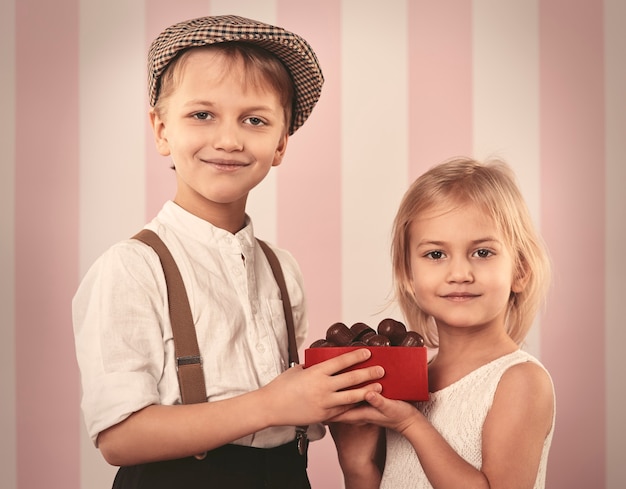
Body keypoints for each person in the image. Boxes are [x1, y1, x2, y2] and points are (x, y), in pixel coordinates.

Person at [72, 15, 384, 489]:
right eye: (202, 115)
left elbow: (294, 409)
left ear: (280, 143)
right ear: (161, 130)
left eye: (254, 120)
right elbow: (119, 436)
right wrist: (273, 404)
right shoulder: (132, 267)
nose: (229, 139)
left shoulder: (283, 270)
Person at [330, 157, 556, 488]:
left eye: (482, 253)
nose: (460, 274)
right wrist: (356, 462)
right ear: (408, 275)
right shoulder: (407, 382)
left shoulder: (520, 382)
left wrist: (411, 425)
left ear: (519, 271)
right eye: (436, 255)